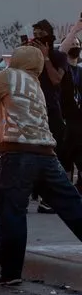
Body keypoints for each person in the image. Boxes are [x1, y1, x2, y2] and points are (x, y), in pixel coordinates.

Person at [0, 46, 82, 286]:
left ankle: (11, 273)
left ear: (20, 60)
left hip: (18, 156)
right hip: (47, 156)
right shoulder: (35, 87)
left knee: (12, 213)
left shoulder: (9, 76)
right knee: (73, 207)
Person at [28, 20, 68, 213]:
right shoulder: (29, 56)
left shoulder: (58, 56)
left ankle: (50, 197)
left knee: (54, 152)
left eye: (41, 33)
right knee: (32, 151)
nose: (37, 36)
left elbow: (55, 79)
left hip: (51, 110)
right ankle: (35, 192)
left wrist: (45, 58)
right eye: (35, 33)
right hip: (32, 109)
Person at [60, 38, 82, 190]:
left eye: (77, 45)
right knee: (65, 154)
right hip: (65, 117)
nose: (75, 47)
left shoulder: (80, 70)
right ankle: (65, 187)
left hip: (79, 118)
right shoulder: (62, 69)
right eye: (72, 44)